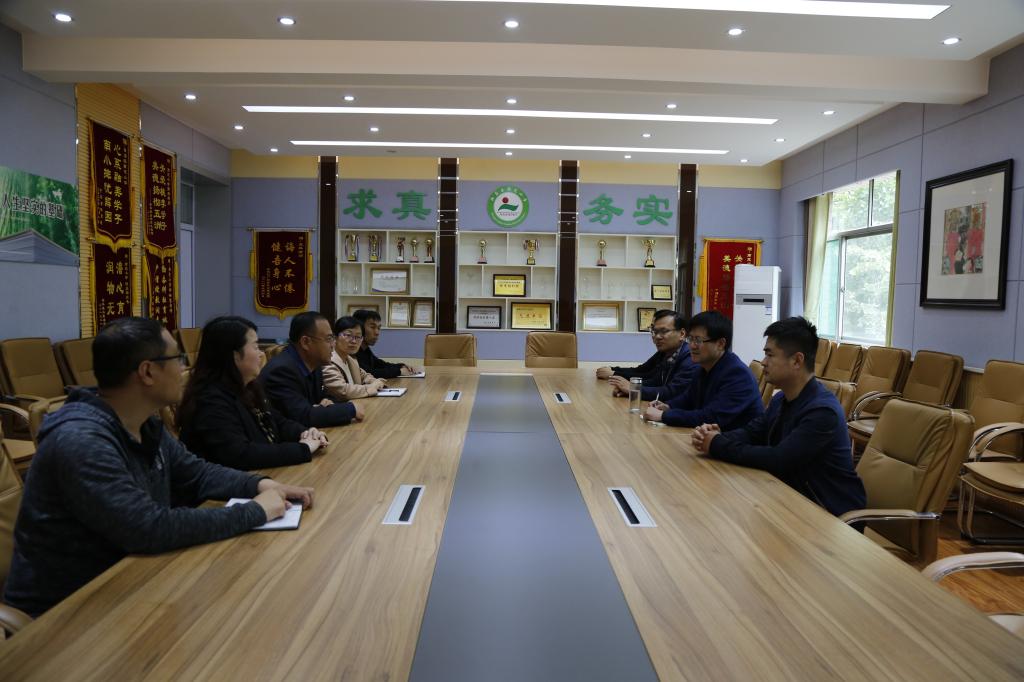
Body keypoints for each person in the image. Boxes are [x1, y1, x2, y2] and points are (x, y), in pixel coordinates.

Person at [3, 317, 313, 617]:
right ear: (148, 372)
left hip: (132, 585)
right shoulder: (80, 440)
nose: (184, 368)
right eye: (177, 359)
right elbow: (148, 528)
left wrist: (260, 485)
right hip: (67, 614)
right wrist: (255, 511)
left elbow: (197, 473)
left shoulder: (144, 423)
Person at [691, 316, 866, 517]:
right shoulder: (781, 399)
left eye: (770, 355)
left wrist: (717, 444)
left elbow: (779, 459)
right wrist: (714, 436)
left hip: (828, 513)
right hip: (789, 500)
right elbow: (752, 433)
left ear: (797, 360)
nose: (763, 362)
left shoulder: (822, 411)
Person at [177, 315, 328, 471]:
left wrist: (305, 433)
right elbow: (241, 455)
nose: (261, 354)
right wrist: (303, 448)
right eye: (255, 347)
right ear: (234, 355)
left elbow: (277, 421)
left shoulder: (248, 386)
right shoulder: (210, 401)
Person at [644, 310, 763, 430]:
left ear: (720, 344)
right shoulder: (704, 367)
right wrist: (668, 406)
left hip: (733, 438)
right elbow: (688, 398)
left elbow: (711, 417)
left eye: (698, 340)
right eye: (690, 339)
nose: (692, 346)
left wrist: (663, 416)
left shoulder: (737, 375)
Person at [258, 311, 363, 427]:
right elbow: (303, 416)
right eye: (328, 339)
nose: (333, 345)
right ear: (305, 342)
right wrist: (350, 409)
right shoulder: (280, 371)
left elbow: (326, 396)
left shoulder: (314, 364)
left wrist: (328, 402)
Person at [605, 310, 695, 401]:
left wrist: (633, 388)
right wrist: (628, 388)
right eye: (655, 331)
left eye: (664, 331)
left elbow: (672, 392)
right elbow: (655, 382)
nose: (657, 337)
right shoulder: (666, 352)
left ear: (682, 334)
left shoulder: (691, 358)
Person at [323, 316, 387, 400]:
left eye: (358, 337)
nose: (353, 341)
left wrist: (374, 381)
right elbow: (343, 391)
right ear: (335, 337)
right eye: (348, 335)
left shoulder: (350, 359)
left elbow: (364, 376)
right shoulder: (328, 362)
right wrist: (372, 387)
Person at [352, 309, 419, 378]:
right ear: (359, 329)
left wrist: (401, 365)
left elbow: (381, 365)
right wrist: (399, 371)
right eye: (372, 327)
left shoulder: (365, 350)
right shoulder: (352, 351)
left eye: (378, 328)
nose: (377, 333)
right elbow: (370, 373)